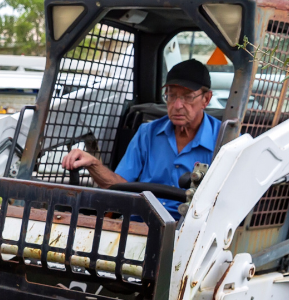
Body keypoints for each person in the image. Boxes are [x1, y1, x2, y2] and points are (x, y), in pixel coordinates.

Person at [61, 58, 219, 219]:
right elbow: (119, 185)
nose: (177, 105)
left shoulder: (224, 139)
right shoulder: (147, 133)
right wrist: (93, 163)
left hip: (192, 232)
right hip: (140, 223)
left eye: (187, 97)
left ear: (206, 99)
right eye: (171, 96)